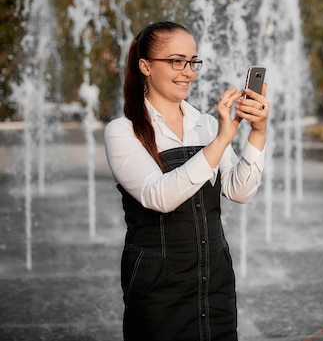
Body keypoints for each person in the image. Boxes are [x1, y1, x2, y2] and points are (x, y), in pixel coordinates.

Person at [104, 21, 268, 341]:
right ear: (145, 66)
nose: (188, 72)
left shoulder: (206, 124)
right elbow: (159, 196)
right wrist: (221, 140)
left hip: (215, 283)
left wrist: (258, 132)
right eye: (176, 61)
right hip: (158, 290)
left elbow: (239, 191)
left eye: (193, 61)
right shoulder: (123, 131)